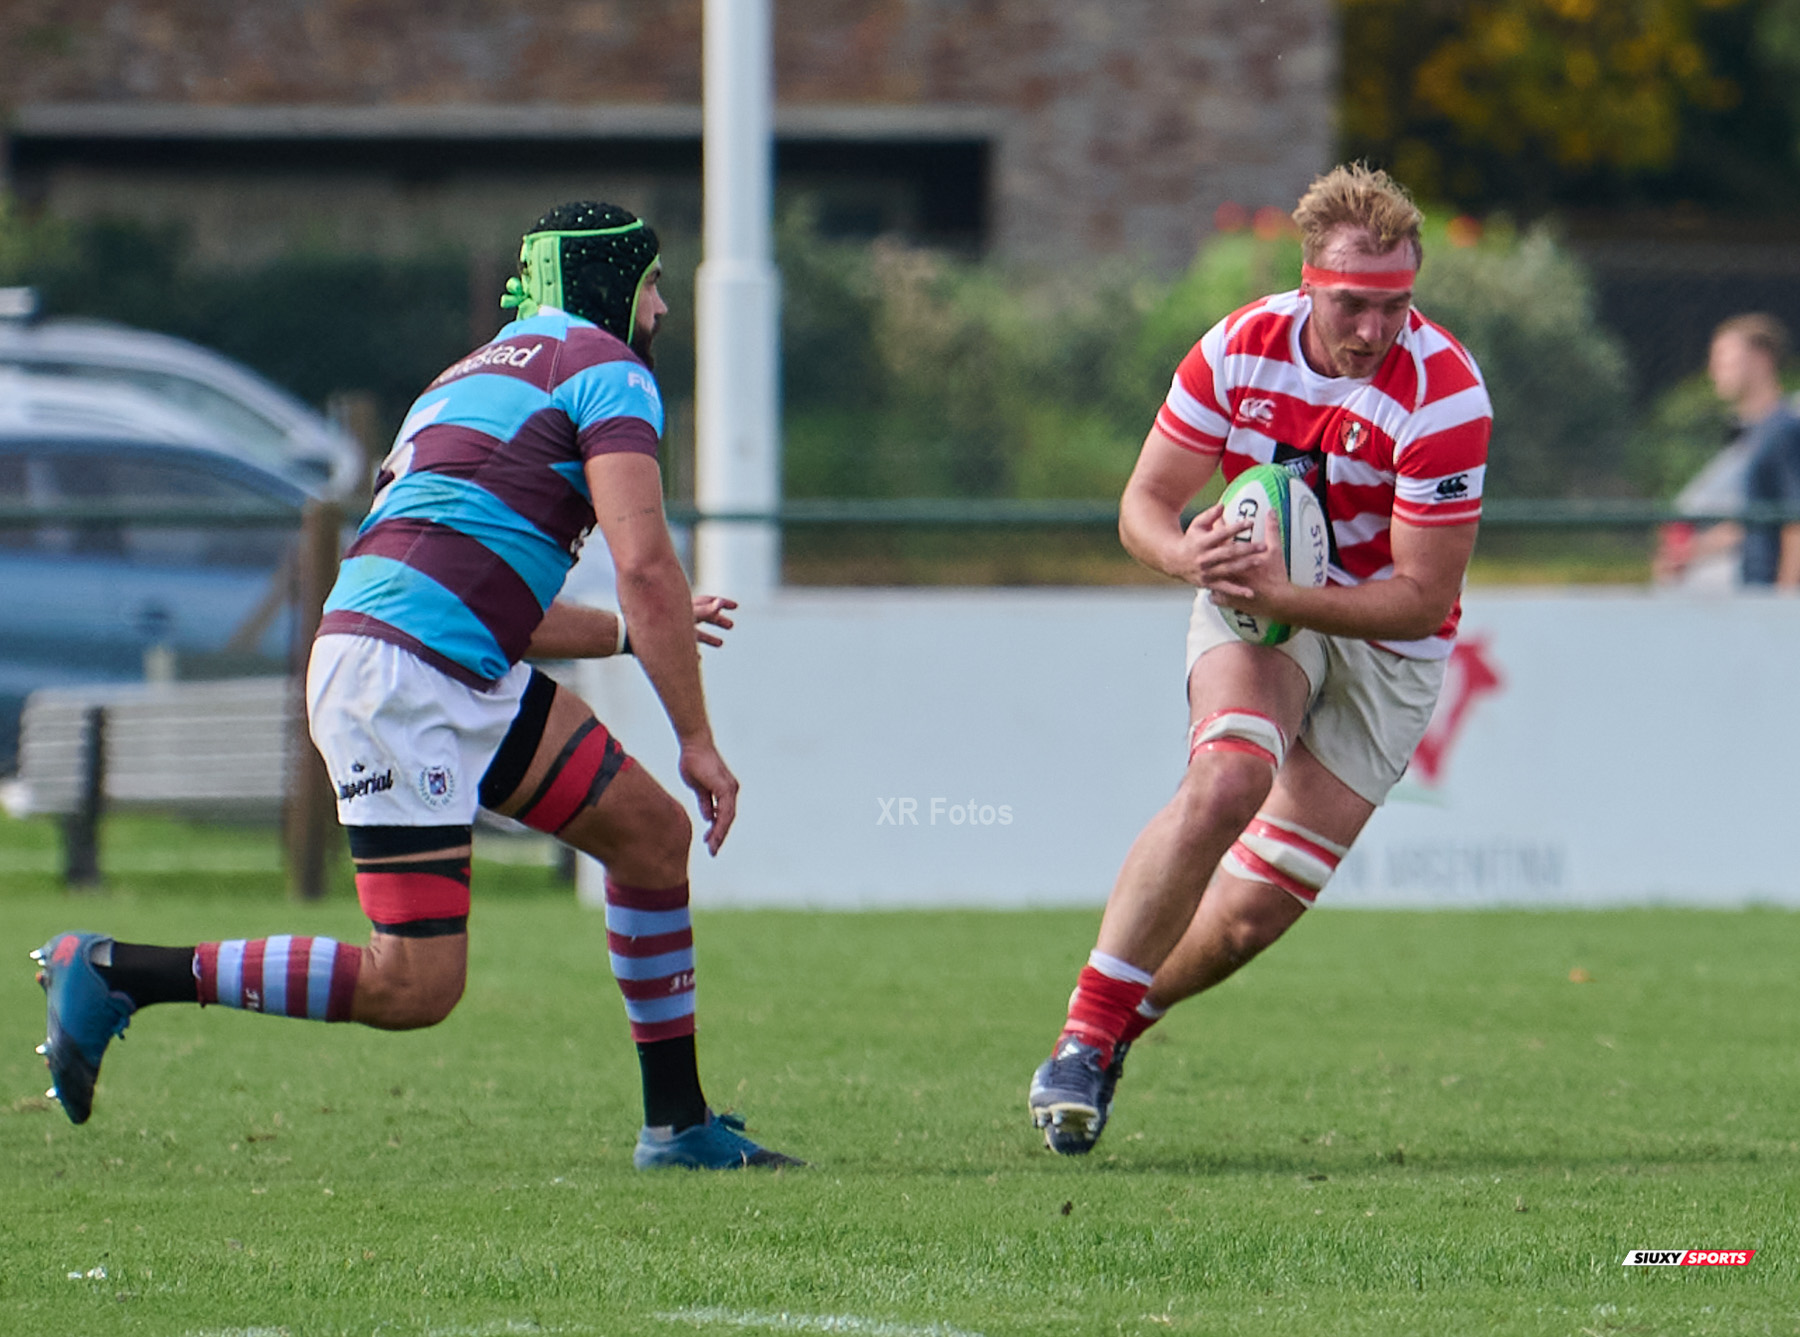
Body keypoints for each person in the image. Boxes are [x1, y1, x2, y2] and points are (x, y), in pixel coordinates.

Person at [30, 202, 802, 1171]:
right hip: (404, 682)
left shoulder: (470, 372)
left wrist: (627, 634)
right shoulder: (611, 370)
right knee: (415, 984)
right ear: (610, 285)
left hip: (439, 661)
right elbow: (647, 565)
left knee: (647, 837)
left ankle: (678, 1126)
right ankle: (117, 972)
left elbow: (481, 595)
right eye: (652, 285)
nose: (661, 312)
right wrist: (696, 735)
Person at [1027, 164, 1493, 1155]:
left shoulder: (1446, 394)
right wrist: (1184, 553)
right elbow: (1142, 509)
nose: (1375, 329)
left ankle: (1115, 1032)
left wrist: (1280, 592)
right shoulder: (1237, 347)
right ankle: (1082, 1029)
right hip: (1261, 600)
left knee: (1243, 921)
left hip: (1387, 642)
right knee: (1227, 774)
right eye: (1353, 305)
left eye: (1396, 306)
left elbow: (1420, 594)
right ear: (1307, 280)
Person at [1654, 314, 1800, 591]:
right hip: (1743, 593)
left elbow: (1795, 521)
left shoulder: (1784, 430)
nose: (1715, 370)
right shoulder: (1745, 435)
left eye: (1726, 359)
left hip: (1764, 598)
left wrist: (1787, 604)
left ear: (1760, 359)